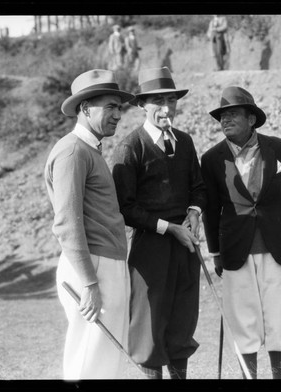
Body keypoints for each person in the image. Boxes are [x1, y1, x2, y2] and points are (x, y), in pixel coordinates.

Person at [201, 86, 281, 379]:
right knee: (242, 320)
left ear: (252, 119)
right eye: (222, 116)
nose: (226, 120)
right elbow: (211, 209)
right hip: (234, 249)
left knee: (278, 317)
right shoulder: (212, 158)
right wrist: (215, 252)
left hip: (276, 245)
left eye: (233, 114)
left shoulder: (275, 146)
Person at [111, 66, 207, 379]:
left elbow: (198, 186)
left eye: (171, 100)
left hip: (185, 247)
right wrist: (170, 228)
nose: (166, 108)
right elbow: (125, 208)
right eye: (157, 101)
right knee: (149, 329)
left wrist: (194, 212)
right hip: (150, 249)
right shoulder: (130, 147)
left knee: (181, 324)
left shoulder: (186, 141)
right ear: (142, 105)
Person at [44, 69, 135, 379]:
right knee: (89, 362)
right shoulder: (72, 151)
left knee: (106, 362)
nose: (117, 115)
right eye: (109, 106)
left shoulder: (89, 150)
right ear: (85, 109)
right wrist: (90, 283)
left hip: (104, 264)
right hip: (92, 268)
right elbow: (67, 224)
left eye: (119, 108)